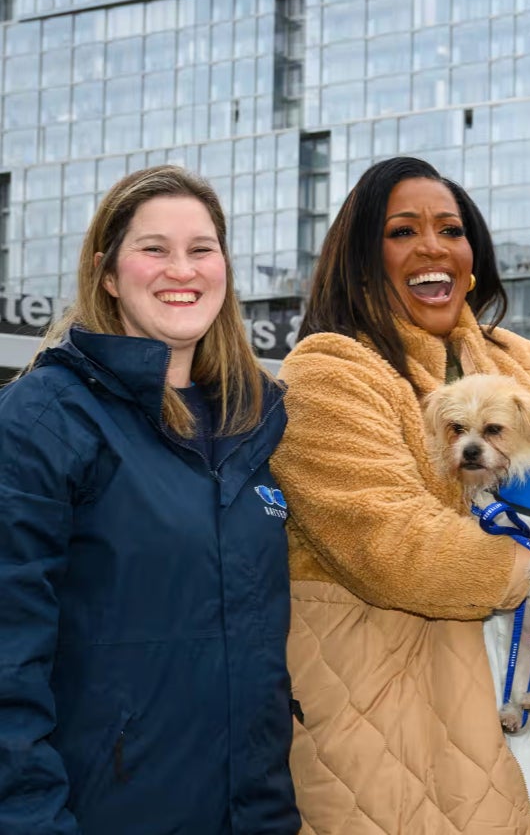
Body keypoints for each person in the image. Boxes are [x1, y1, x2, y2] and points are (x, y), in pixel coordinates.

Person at [271, 156, 530, 835]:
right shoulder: (327, 369)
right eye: (401, 231)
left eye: (450, 228)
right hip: (393, 720)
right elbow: (392, 544)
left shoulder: (519, 361)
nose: (432, 246)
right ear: (360, 259)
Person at [0, 166, 299, 833]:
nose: (181, 270)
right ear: (107, 273)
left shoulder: (256, 423)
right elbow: (7, 664)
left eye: (202, 249)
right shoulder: (44, 419)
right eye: (153, 248)